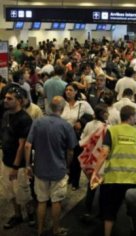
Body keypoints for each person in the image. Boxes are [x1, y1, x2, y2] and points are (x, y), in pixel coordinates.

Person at [25, 96, 78, 236]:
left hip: (39, 169)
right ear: (62, 108)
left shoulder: (37, 122)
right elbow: (71, 150)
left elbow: (28, 145)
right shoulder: (66, 126)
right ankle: (56, 229)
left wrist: (28, 165)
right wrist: (67, 165)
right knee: (56, 201)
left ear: (50, 107)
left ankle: (40, 230)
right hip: (58, 169)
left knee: (41, 201)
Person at [91, 105, 136, 236]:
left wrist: (95, 172)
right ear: (131, 117)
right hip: (133, 178)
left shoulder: (112, 130)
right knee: (133, 211)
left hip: (113, 177)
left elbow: (104, 153)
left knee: (109, 211)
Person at [1, 86, 35, 229]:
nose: (5, 101)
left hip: (19, 165)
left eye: (9, 99)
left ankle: (31, 214)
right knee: (11, 192)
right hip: (6, 160)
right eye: (5, 98)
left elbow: (22, 145)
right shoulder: (6, 114)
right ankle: (17, 215)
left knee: (23, 193)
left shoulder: (24, 119)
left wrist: (15, 167)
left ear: (19, 101)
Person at [61, 83, 94, 190]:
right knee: (66, 158)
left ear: (76, 92)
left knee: (76, 159)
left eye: (71, 90)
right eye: (66, 90)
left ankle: (75, 182)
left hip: (76, 136)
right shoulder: (62, 104)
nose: (68, 92)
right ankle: (69, 177)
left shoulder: (82, 104)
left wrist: (81, 122)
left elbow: (93, 116)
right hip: (63, 136)